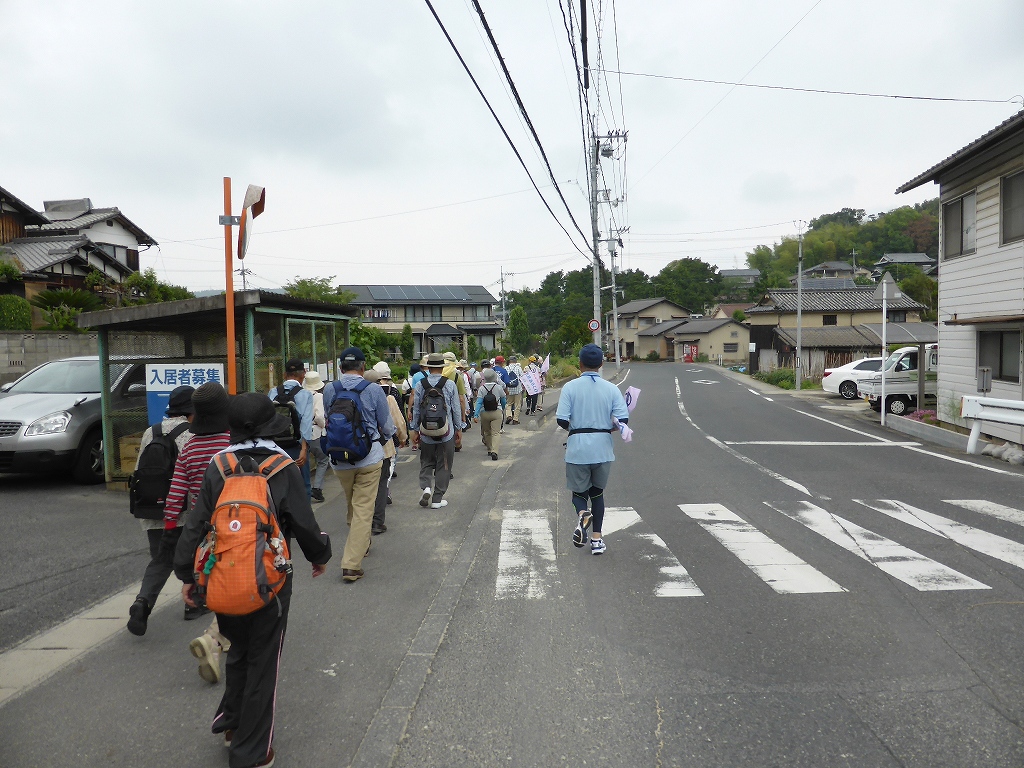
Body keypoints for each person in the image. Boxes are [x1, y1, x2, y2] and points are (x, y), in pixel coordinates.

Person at [174, 393, 331, 768]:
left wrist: (187, 574)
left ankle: (232, 724)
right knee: (264, 662)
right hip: (269, 581)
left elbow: (197, 523)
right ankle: (252, 751)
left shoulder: (219, 465)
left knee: (239, 652)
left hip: (222, 576)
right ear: (268, 427)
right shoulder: (282, 466)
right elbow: (304, 523)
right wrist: (319, 556)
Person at [162, 382, 234, 684]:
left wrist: (170, 524)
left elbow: (177, 490)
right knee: (239, 580)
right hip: (235, 521)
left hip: (203, 527)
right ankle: (215, 637)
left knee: (217, 578)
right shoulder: (231, 443)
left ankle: (222, 636)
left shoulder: (189, 447)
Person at [127, 385, 198, 637]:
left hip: (151, 508)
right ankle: (194, 604)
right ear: (192, 410)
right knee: (194, 556)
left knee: (161, 559)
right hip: (182, 511)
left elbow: (139, 469)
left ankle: (142, 602)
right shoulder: (192, 435)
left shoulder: (151, 431)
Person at [323, 347, 396, 583]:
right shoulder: (373, 389)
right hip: (368, 458)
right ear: (363, 367)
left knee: (352, 504)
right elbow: (387, 426)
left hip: (339, 459)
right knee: (364, 509)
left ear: (340, 367)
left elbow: (329, 419)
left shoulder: (330, 389)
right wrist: (383, 439)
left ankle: (361, 542)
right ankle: (351, 565)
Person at [556, 343, 629, 556]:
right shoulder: (612, 389)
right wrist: (609, 428)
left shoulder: (570, 387)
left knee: (578, 494)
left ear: (580, 364)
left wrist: (576, 429)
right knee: (597, 494)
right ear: (601, 364)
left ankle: (582, 514)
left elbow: (561, 420)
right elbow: (623, 420)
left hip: (578, 448)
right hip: (602, 448)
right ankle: (597, 540)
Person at [411, 352, 464, 508]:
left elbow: (416, 409)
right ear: (442, 367)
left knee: (426, 461)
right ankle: (437, 499)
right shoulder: (450, 384)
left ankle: (426, 487)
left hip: (426, 432)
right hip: (445, 432)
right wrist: (458, 428)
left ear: (428, 367)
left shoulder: (421, 384)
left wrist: (415, 429)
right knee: (444, 464)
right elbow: (455, 409)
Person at [365, 365, 408, 535]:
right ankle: (377, 522)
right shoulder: (388, 398)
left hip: (360, 449)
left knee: (364, 486)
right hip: (383, 448)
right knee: (382, 484)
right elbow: (397, 422)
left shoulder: (356, 398)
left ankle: (362, 520)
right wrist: (403, 437)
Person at [267, 359, 313, 498]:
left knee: (277, 484)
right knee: (302, 485)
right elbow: (306, 424)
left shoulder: (273, 392)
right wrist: (304, 450)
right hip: (296, 447)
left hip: (275, 447)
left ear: (284, 375)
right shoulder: (305, 394)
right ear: (303, 374)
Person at [302, 371, 332, 504]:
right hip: (315, 433)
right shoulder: (318, 396)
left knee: (304, 460)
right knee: (323, 459)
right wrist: (323, 425)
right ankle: (317, 488)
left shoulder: (300, 395)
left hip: (301, 433)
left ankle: (303, 488)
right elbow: (320, 416)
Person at [473, 367, 506, 461]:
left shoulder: (481, 388)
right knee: (496, 433)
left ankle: (489, 449)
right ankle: (495, 451)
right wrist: (502, 408)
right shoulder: (498, 387)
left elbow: (479, 402)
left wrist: (476, 415)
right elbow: (503, 400)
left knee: (487, 432)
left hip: (484, 413)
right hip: (497, 412)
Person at [505, 354, 524, 424]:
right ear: (515, 361)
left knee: (508, 404)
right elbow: (522, 377)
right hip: (517, 389)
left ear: (509, 361)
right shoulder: (518, 368)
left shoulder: (506, 368)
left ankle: (509, 415)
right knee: (517, 404)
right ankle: (515, 419)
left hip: (509, 389)